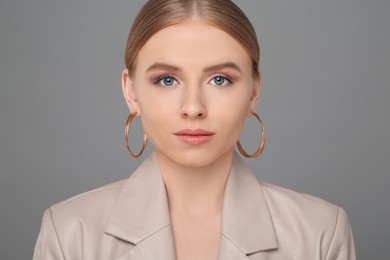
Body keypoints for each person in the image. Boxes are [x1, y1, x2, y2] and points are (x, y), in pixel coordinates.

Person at [33, 0, 356, 259]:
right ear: (131, 92)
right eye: (167, 80)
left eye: (220, 80)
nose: (193, 107)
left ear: (254, 91)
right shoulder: (69, 233)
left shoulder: (320, 233)